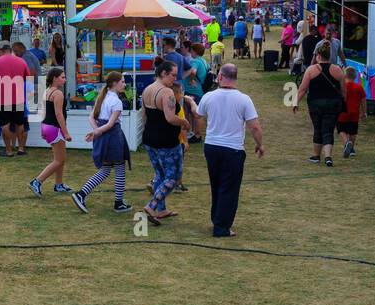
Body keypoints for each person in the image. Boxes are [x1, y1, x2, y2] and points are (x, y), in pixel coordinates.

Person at [196, 63, 263, 237]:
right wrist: (259, 144)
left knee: (216, 184)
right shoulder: (244, 99)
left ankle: (217, 219)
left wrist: (198, 134)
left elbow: (199, 117)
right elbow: (254, 127)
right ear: (235, 78)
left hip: (212, 146)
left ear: (220, 77)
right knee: (229, 188)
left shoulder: (208, 97)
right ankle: (221, 226)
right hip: (232, 149)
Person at [72, 71, 131, 214]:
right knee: (119, 168)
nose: (124, 84)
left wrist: (97, 131)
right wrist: (96, 132)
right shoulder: (116, 101)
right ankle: (118, 203)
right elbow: (111, 124)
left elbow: (91, 118)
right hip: (113, 137)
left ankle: (81, 194)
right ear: (114, 84)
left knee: (105, 169)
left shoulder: (102, 97)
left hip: (103, 135)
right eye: (122, 82)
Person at [140, 61, 190, 224]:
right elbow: (170, 118)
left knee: (160, 174)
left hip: (149, 138)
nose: (175, 79)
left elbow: (144, 116)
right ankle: (151, 206)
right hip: (166, 141)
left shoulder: (147, 89)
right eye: (173, 75)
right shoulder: (166, 92)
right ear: (163, 74)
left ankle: (161, 210)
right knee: (173, 177)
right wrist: (184, 122)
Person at [294, 41, 345, 167]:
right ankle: (328, 156)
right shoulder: (337, 69)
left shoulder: (311, 70)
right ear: (330, 56)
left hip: (315, 103)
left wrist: (295, 102)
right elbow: (344, 90)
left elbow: (302, 89)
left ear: (318, 56)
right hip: (333, 103)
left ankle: (316, 156)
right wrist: (345, 102)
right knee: (328, 129)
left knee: (317, 128)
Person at [0, 40, 31, 157]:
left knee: (5, 124)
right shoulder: (21, 61)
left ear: (0, 51)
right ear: (11, 50)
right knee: (20, 123)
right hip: (18, 97)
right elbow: (27, 77)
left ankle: (8, 150)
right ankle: (21, 148)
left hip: (1, 98)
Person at [29, 67, 72, 196]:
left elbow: (44, 112)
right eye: (62, 77)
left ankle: (59, 184)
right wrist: (66, 133)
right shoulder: (58, 94)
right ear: (55, 78)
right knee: (59, 160)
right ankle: (37, 181)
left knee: (60, 159)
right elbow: (59, 115)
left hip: (47, 126)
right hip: (55, 128)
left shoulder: (46, 91)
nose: (65, 79)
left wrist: (43, 129)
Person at [338, 69, 367, 158]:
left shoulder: (341, 87)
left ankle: (347, 143)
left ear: (344, 75)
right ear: (355, 76)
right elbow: (363, 101)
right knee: (353, 132)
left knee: (341, 130)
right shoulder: (359, 87)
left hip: (342, 113)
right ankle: (351, 149)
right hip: (354, 113)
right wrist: (364, 112)